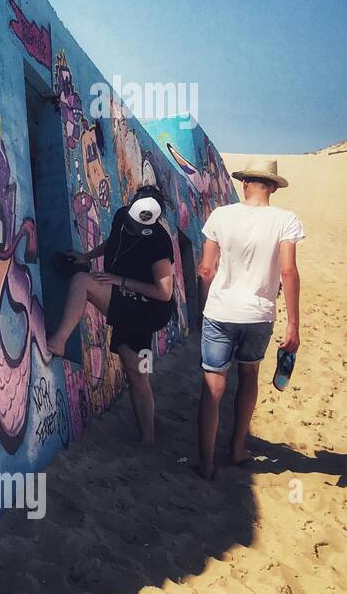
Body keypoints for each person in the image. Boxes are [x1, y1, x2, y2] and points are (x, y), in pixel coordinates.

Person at [195, 159, 303, 479]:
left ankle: (206, 462)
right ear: (272, 187)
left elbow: (205, 269)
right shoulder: (286, 220)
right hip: (258, 314)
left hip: (220, 311)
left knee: (213, 385)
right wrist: (293, 324)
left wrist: (206, 307)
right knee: (249, 376)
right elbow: (288, 272)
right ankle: (238, 448)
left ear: (245, 184)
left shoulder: (220, 215)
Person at [46, 184, 176, 445]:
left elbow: (164, 293)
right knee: (137, 372)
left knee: (82, 282)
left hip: (147, 310)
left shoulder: (159, 240)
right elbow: (114, 241)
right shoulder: (121, 216)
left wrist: (120, 280)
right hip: (126, 301)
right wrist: (87, 255)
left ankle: (58, 341)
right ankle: (148, 438)